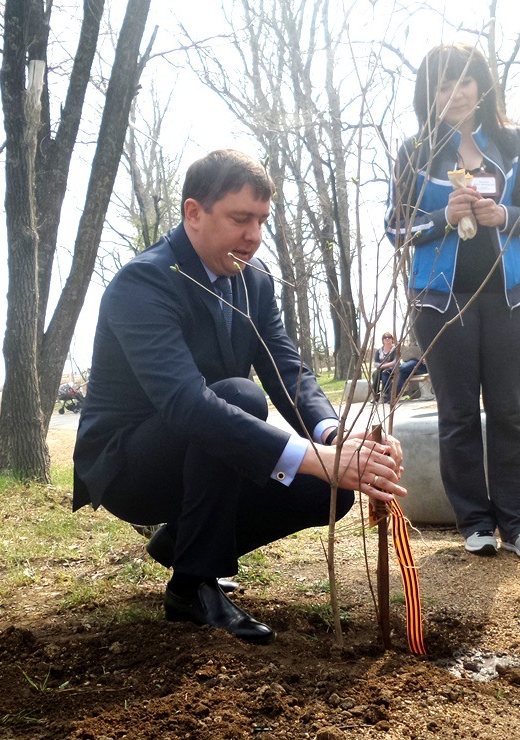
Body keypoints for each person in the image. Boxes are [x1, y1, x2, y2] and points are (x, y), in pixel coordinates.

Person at [73, 150, 406, 644]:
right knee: (240, 397)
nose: (254, 235)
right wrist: (319, 458)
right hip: (129, 465)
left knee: (327, 490)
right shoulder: (143, 283)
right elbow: (187, 405)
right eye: (240, 219)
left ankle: (182, 544)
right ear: (194, 213)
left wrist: (335, 437)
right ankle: (192, 587)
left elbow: (287, 370)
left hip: (206, 451)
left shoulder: (255, 282)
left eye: (262, 221)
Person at [386, 43, 520, 561]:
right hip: (439, 298)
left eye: (463, 82)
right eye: (441, 85)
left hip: (509, 292)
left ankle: (519, 524)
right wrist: (440, 217)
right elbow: (396, 228)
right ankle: (474, 522)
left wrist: (508, 216)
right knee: (457, 413)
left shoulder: (512, 140)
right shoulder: (414, 151)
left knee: (509, 410)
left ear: (482, 86)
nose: (454, 94)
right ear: (428, 94)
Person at [372, 332, 398, 402]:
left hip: (392, 369)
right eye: (385, 338)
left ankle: (385, 395)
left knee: (385, 373)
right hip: (381, 369)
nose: (387, 339)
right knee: (375, 374)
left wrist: (383, 366)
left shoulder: (395, 349)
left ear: (392, 339)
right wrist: (380, 366)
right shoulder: (379, 351)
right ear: (382, 340)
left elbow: (395, 361)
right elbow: (375, 363)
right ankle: (376, 395)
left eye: (389, 337)